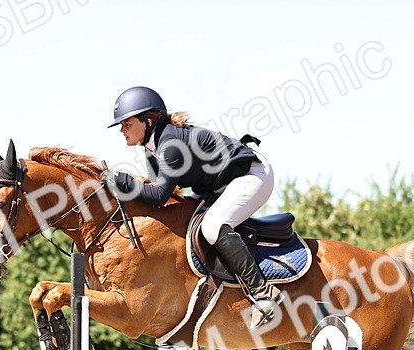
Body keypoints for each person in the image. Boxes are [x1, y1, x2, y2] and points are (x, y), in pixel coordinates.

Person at [105, 86, 282, 329]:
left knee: (212, 227)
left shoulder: (170, 145)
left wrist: (122, 181)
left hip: (251, 175)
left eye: (126, 123)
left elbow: (158, 195)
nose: (122, 130)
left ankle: (263, 293)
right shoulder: (152, 149)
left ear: (147, 121)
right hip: (222, 185)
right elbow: (164, 198)